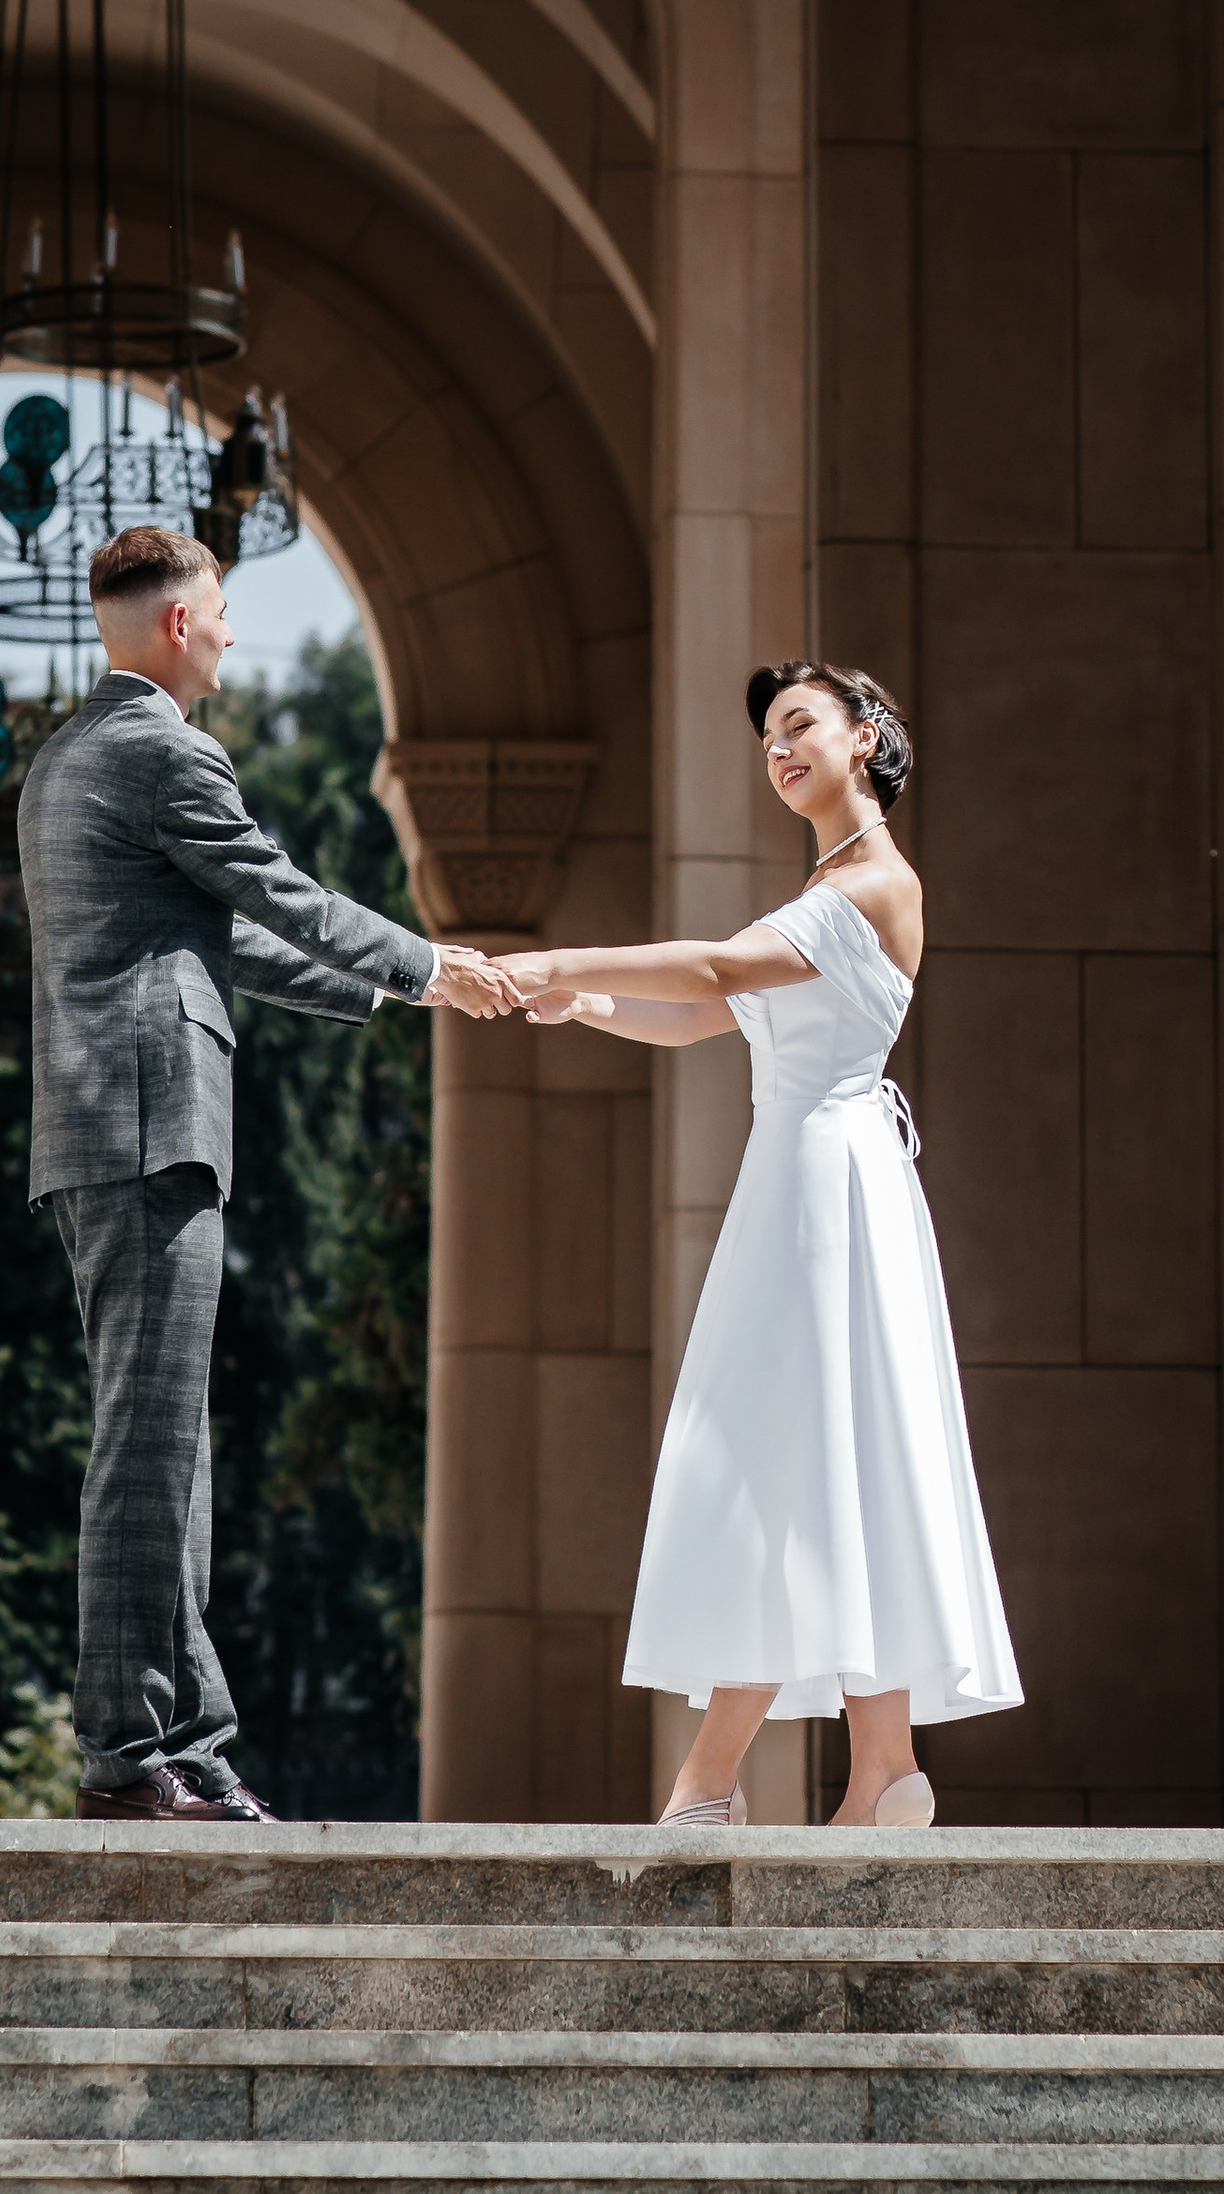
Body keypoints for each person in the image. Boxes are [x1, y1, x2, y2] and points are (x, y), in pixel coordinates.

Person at [15, 522, 510, 1822]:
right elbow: (275, 892)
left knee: (165, 1445)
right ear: (178, 623)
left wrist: (396, 998)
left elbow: (219, 936)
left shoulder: (71, 757)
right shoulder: (163, 752)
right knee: (146, 1449)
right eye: (223, 609)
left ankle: (185, 1744)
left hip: (102, 1133)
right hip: (147, 1124)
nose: (233, 632)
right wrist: (433, 962)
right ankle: (132, 1757)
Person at [495, 659, 1019, 1826]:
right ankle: (880, 1762)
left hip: (824, 1185)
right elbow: (704, 1014)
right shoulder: (828, 887)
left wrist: (558, 961)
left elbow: (725, 969)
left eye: (799, 726)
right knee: (824, 1457)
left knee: (776, 1454)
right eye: (768, 738)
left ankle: (710, 1779)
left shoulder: (874, 882)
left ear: (866, 736)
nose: (778, 749)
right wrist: (585, 1007)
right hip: (806, 1177)